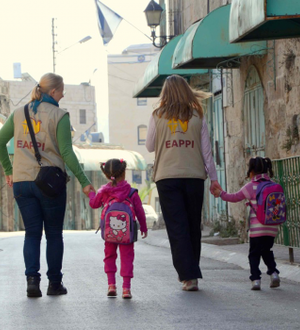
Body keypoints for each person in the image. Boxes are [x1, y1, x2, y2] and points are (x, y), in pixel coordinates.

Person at [0, 73, 94, 298]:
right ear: (53, 92)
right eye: (61, 91)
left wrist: (9, 171)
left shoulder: (19, 113)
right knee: (54, 234)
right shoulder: (60, 115)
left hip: (21, 182)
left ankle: (32, 282)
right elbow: (67, 152)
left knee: (31, 234)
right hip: (49, 183)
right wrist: (84, 182)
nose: (64, 94)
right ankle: (54, 284)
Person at [145, 75, 221, 291]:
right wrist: (214, 179)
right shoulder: (198, 114)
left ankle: (188, 276)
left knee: (177, 227)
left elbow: (150, 146)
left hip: (167, 177)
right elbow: (206, 152)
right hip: (194, 176)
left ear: (165, 93)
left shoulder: (157, 115)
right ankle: (191, 272)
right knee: (192, 225)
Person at [214, 157, 280, 290]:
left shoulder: (251, 186)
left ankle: (256, 280)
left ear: (251, 171)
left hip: (256, 229)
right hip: (272, 228)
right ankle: (274, 273)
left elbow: (234, 197)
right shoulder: (273, 184)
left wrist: (220, 194)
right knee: (267, 251)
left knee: (254, 254)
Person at [88, 158, 148, 299]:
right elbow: (139, 211)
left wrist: (91, 193)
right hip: (127, 234)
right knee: (127, 258)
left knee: (109, 256)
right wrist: (143, 227)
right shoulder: (132, 192)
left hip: (109, 233)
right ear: (124, 173)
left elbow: (94, 204)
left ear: (107, 175)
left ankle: (111, 285)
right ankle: (126, 289)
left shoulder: (104, 192)